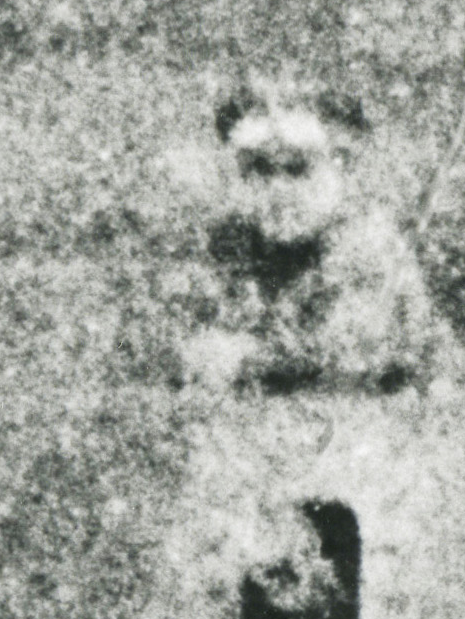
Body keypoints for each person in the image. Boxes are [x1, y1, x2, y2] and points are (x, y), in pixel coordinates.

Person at [177, 79, 448, 396]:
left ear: (341, 166)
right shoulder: (230, 241)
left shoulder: (364, 244)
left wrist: (242, 354)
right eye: (260, 169)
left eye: (297, 170)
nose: (277, 190)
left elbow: (342, 352)